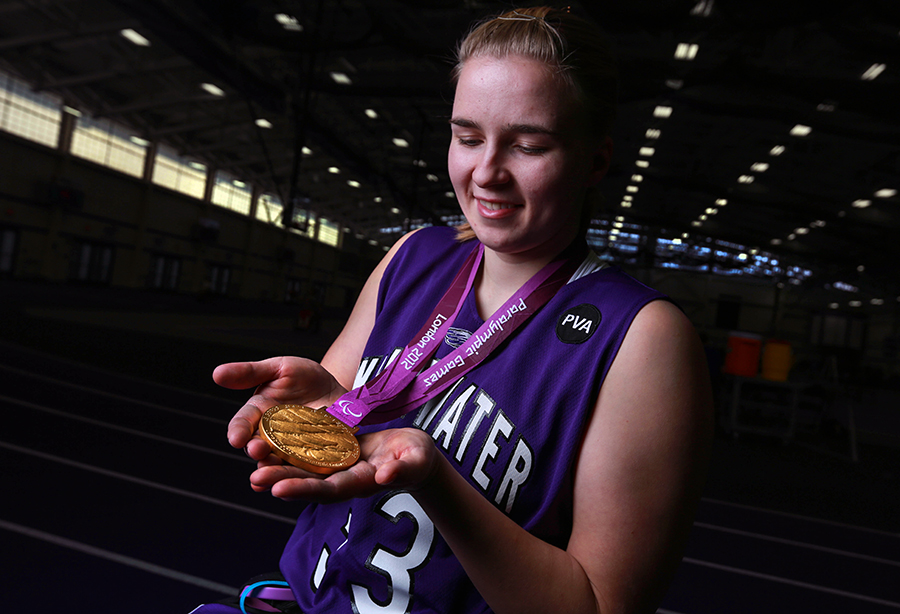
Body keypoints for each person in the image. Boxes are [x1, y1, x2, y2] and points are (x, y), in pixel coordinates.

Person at [198, 7, 713, 614]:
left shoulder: (641, 337)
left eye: (528, 145)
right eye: (467, 138)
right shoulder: (413, 257)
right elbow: (332, 446)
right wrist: (324, 399)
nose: (486, 172)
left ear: (595, 161)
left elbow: (600, 607)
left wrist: (437, 480)